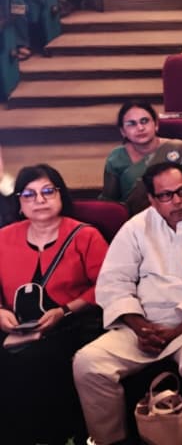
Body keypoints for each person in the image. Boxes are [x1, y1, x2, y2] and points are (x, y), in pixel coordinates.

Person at [73, 161, 182, 445]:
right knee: (88, 362)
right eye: (165, 195)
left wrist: (176, 330)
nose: (177, 201)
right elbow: (114, 281)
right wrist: (140, 326)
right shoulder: (136, 227)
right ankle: (111, 440)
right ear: (151, 199)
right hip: (143, 324)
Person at [0, 164, 108, 445]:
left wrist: (66, 310)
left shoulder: (85, 235)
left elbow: (107, 285)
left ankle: (52, 436)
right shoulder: (3, 237)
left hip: (72, 322)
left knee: (32, 361)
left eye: (48, 191)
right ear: (19, 203)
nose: (40, 200)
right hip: (13, 324)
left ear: (61, 195)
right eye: (29, 194)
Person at [100, 100, 182, 215]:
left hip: (180, 217)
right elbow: (110, 204)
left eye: (144, 121)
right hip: (135, 222)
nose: (140, 128)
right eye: (132, 124)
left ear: (156, 125)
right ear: (123, 131)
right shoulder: (116, 158)